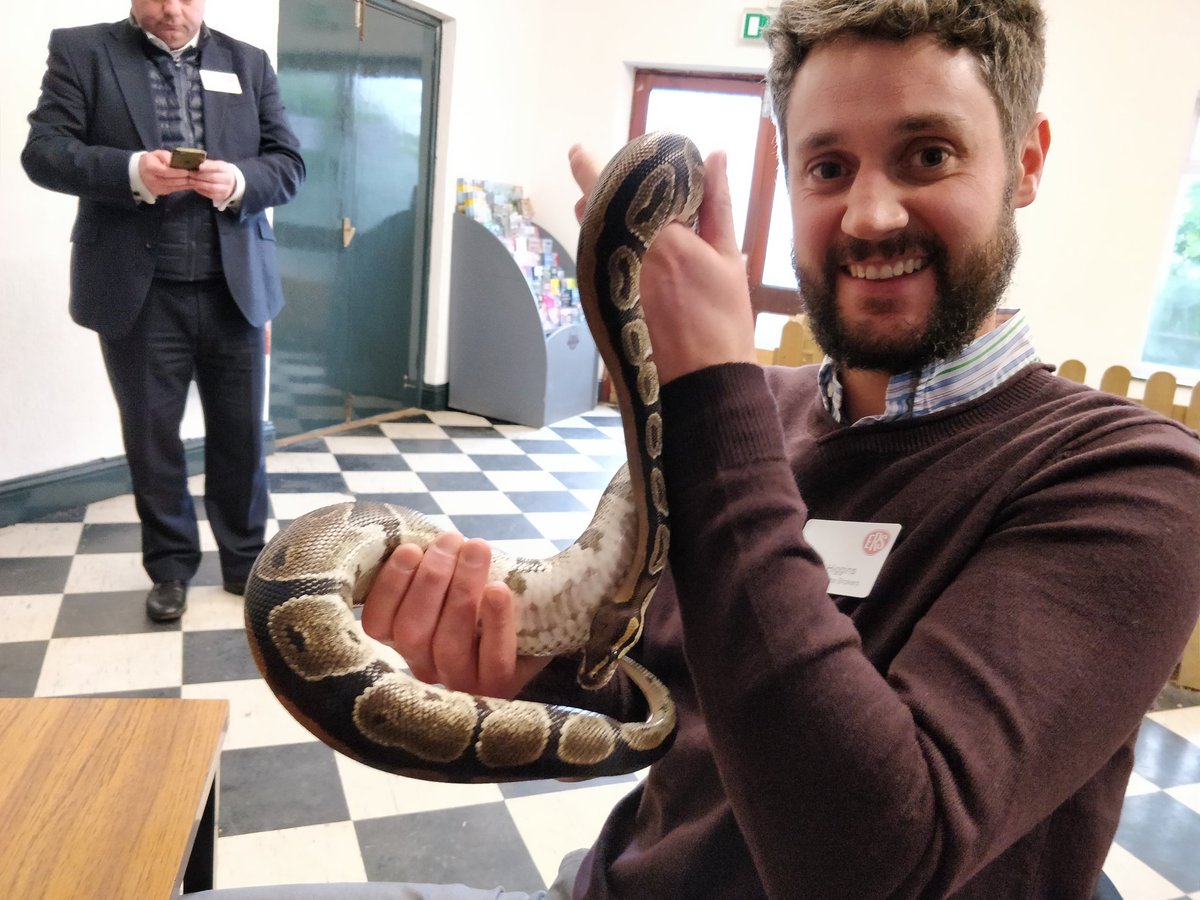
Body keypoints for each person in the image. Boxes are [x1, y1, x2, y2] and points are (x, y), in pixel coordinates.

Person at [196, 0, 1200, 897]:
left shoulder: (1130, 481)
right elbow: (669, 687)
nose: (870, 215)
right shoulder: (761, 418)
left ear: (1027, 160)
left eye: (929, 154)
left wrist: (713, 391)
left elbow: (871, 864)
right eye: (828, 167)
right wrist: (510, 661)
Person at [22, 0, 305, 622]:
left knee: (241, 438)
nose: (172, 9)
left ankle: (245, 562)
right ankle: (171, 567)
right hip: (138, 291)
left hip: (234, 289)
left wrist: (239, 182)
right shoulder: (83, 51)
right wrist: (131, 170)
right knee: (152, 439)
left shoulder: (248, 62)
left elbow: (288, 165)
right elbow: (42, 152)